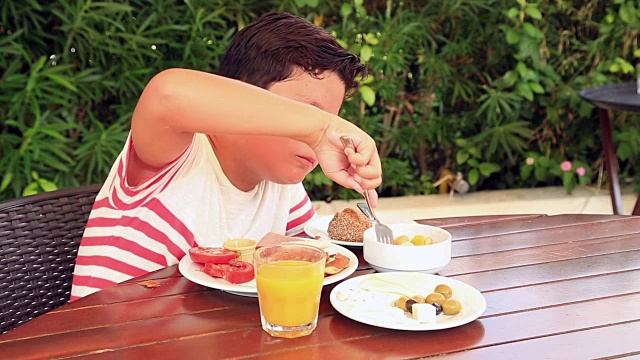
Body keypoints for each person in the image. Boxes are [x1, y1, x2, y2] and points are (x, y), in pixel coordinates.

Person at [70, 12, 382, 301]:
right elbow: (167, 94)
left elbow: (310, 257)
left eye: (334, 118)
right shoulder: (177, 156)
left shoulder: (279, 183)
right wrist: (319, 128)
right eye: (306, 113)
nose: (324, 134)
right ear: (241, 94)